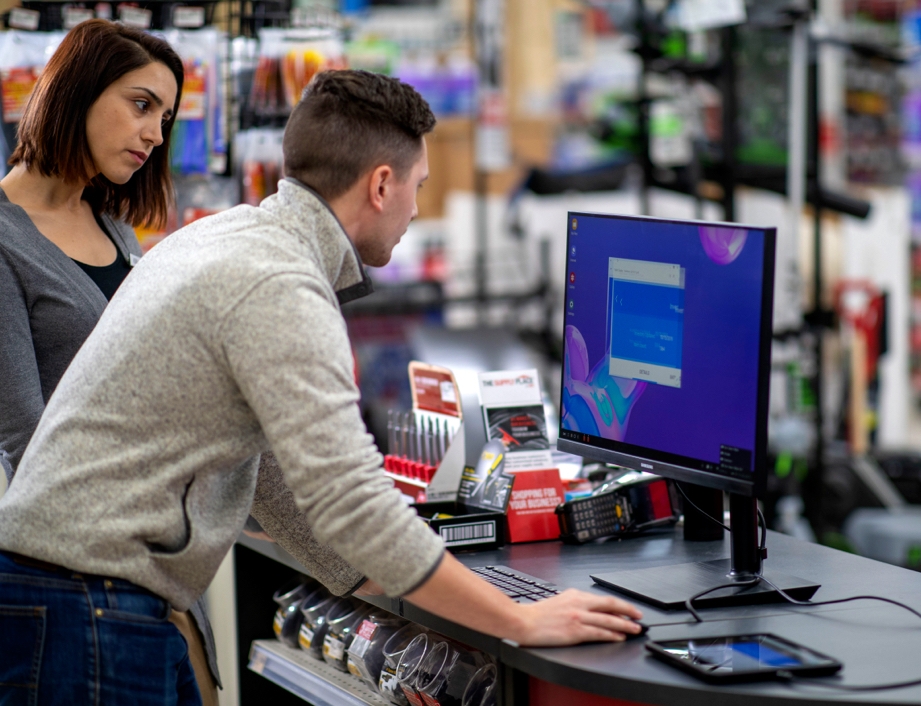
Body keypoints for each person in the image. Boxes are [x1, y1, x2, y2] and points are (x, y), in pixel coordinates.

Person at [0, 69, 642, 703]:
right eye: (419, 186)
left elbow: (275, 478)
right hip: (85, 606)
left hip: (75, 594)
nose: (417, 210)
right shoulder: (279, 283)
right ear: (381, 184)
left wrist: (379, 575)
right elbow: (350, 499)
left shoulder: (226, 238)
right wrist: (519, 620)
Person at [0, 20, 222, 705]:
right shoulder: (5, 239)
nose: (156, 133)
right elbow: (24, 433)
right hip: (71, 585)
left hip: (149, 575)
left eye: (167, 116)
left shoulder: (119, 235)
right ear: (77, 91)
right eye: (141, 103)